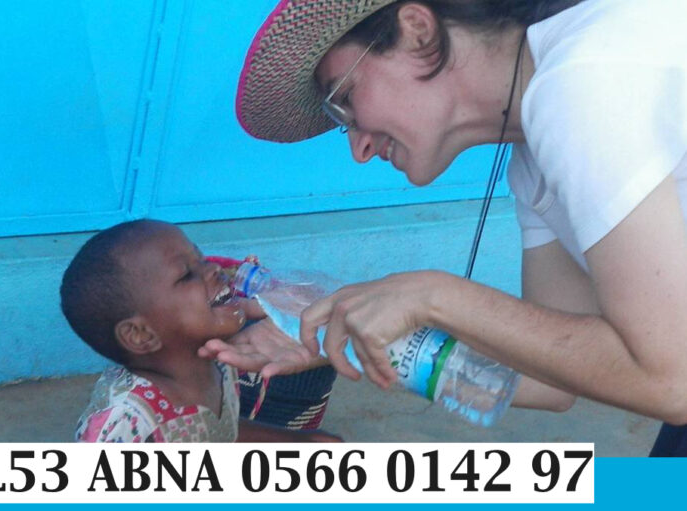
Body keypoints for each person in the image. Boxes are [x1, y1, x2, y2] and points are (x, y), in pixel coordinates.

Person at [217, 0, 687, 455]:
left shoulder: (582, 83)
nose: (359, 149)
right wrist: (351, 335)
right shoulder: (536, 159)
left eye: (345, 101)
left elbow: (672, 382)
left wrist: (433, 295)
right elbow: (550, 380)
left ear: (418, 31)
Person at [60, 219, 340, 443]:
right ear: (141, 335)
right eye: (186, 275)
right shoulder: (126, 425)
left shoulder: (219, 363)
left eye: (202, 259)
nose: (215, 269)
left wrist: (297, 440)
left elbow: (216, 432)